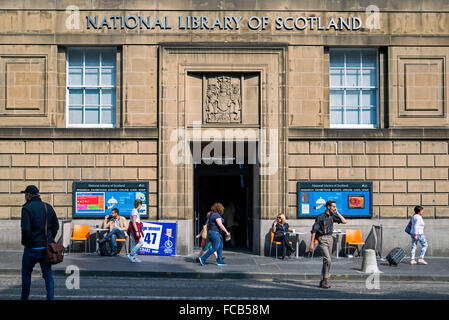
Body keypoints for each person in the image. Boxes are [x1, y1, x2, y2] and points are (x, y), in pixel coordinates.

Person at [20, 185, 59, 300]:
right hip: (46, 248)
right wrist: (50, 238)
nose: (25, 197)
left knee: (26, 274)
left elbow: (26, 230)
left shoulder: (27, 208)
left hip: (31, 248)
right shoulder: (48, 207)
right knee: (48, 276)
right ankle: (50, 298)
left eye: (25, 194)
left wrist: (26, 242)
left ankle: (24, 298)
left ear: (29, 195)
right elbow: (56, 226)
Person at [309, 200, 346, 289]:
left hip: (330, 238)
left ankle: (323, 281)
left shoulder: (333, 216)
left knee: (326, 261)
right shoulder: (320, 217)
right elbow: (314, 231)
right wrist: (311, 244)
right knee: (328, 260)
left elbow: (344, 221)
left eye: (335, 207)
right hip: (322, 239)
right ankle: (325, 280)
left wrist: (337, 212)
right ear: (328, 207)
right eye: (333, 207)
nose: (335, 208)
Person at [198, 202, 230, 267]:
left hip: (215, 233)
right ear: (220, 209)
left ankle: (220, 261)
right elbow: (220, 225)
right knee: (215, 248)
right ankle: (203, 258)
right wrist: (226, 232)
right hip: (215, 233)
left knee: (220, 246)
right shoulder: (216, 215)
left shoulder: (212, 215)